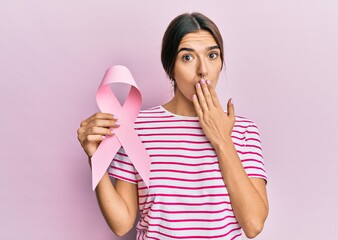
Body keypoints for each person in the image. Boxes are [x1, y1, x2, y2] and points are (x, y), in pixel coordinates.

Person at [77, 12, 269, 239]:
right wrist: (95, 158)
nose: (203, 70)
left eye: (212, 55)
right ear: (170, 68)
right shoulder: (136, 129)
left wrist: (222, 139)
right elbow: (121, 224)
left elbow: (254, 224)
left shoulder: (244, 130)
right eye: (187, 57)